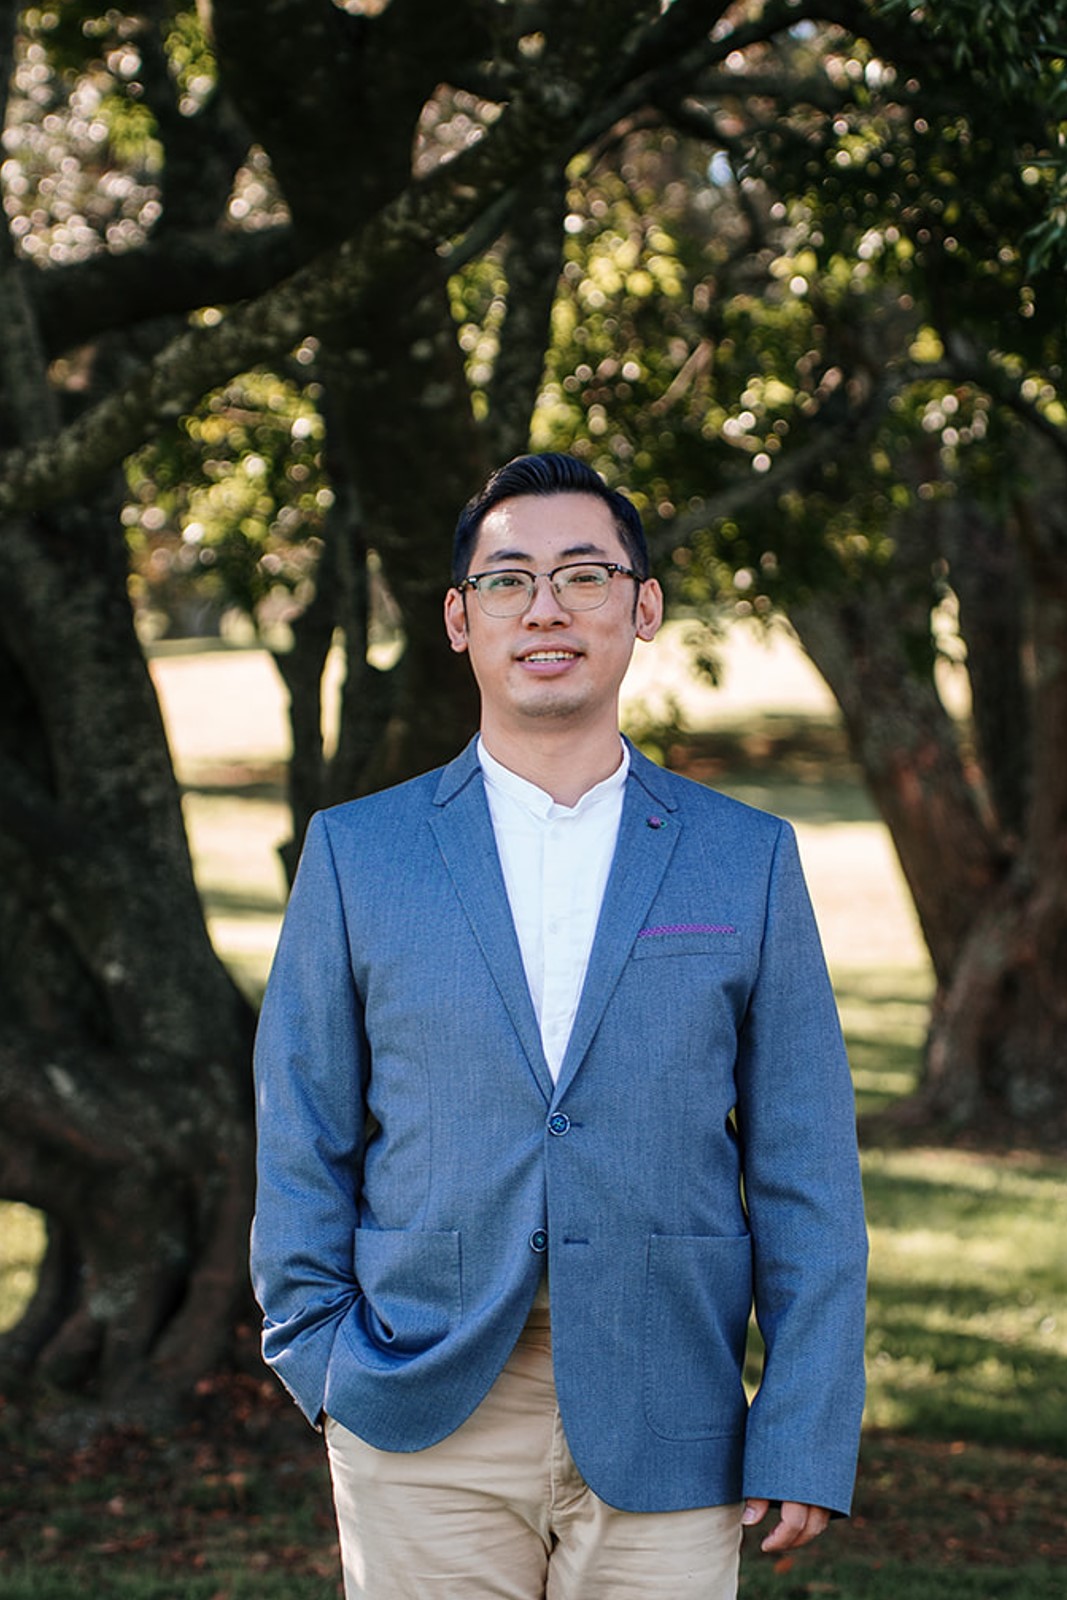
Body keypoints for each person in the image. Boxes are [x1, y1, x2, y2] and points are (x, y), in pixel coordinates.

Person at [251, 451, 868, 1599]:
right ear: (458, 619)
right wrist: (321, 1359)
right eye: (506, 581)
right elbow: (301, 1132)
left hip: (671, 1400)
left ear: (643, 608)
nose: (544, 609)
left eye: (584, 575)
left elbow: (805, 1167)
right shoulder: (355, 854)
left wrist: (802, 1420)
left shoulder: (745, 858)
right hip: (418, 1402)